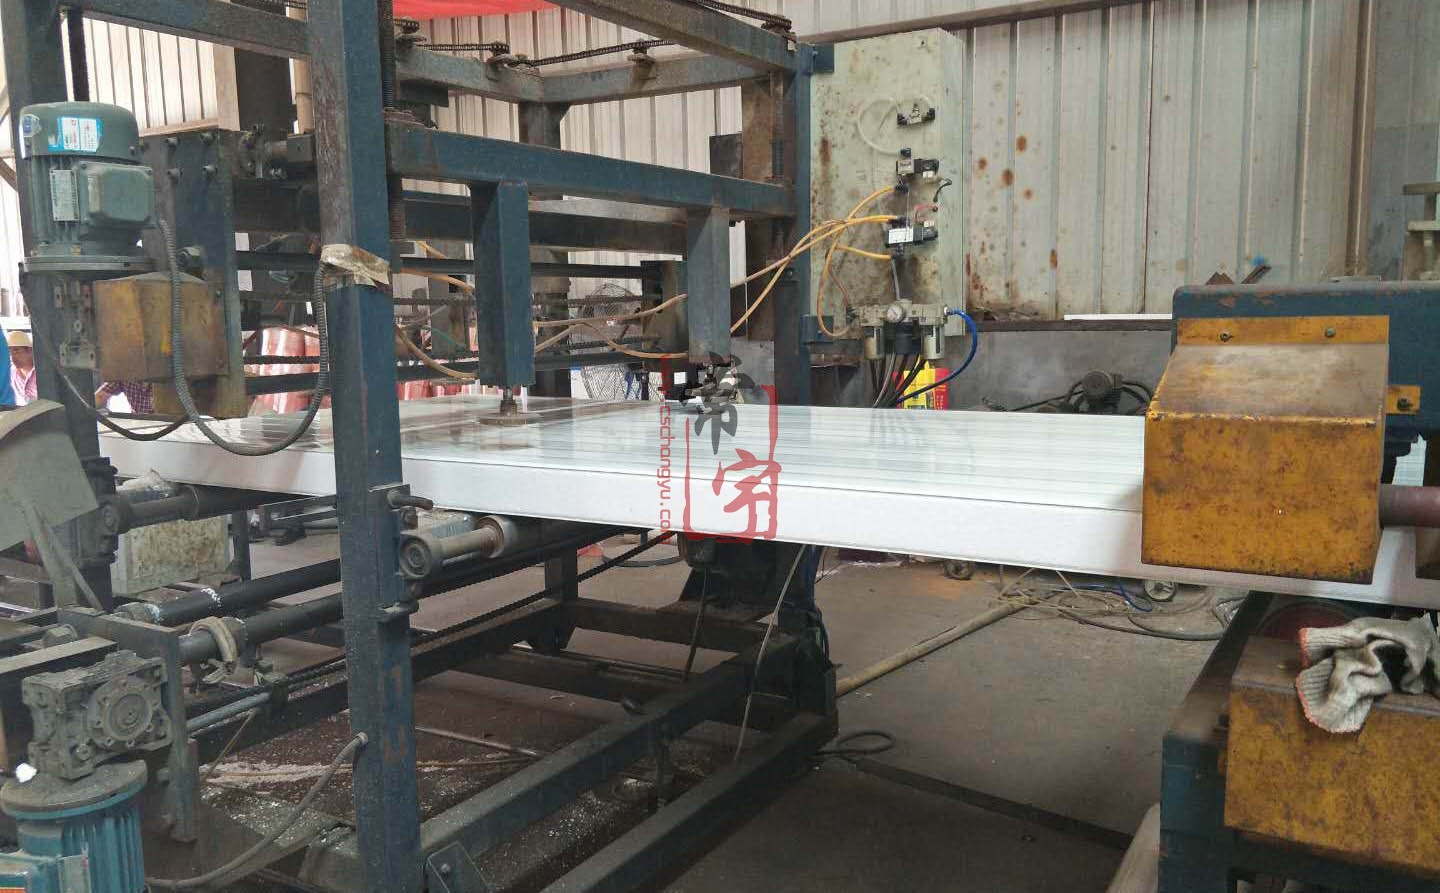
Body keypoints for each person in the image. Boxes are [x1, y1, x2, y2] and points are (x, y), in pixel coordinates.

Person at [7, 330, 35, 406]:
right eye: (10, 353)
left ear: (29, 350)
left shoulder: (43, 372)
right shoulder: (11, 375)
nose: (13, 357)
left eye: (16, 351)